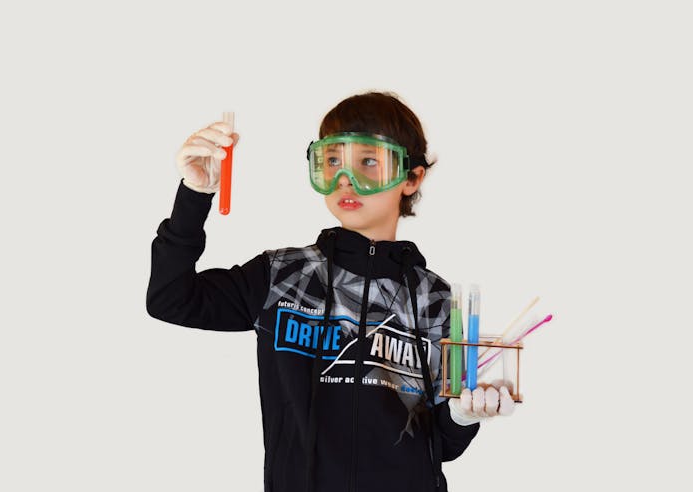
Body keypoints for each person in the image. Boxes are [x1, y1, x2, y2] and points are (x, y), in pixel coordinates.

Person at [146, 91, 514, 492]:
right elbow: (170, 298)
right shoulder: (281, 276)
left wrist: (464, 415)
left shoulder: (437, 302)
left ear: (410, 178)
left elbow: (439, 446)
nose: (346, 180)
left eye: (369, 162)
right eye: (333, 161)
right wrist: (195, 195)